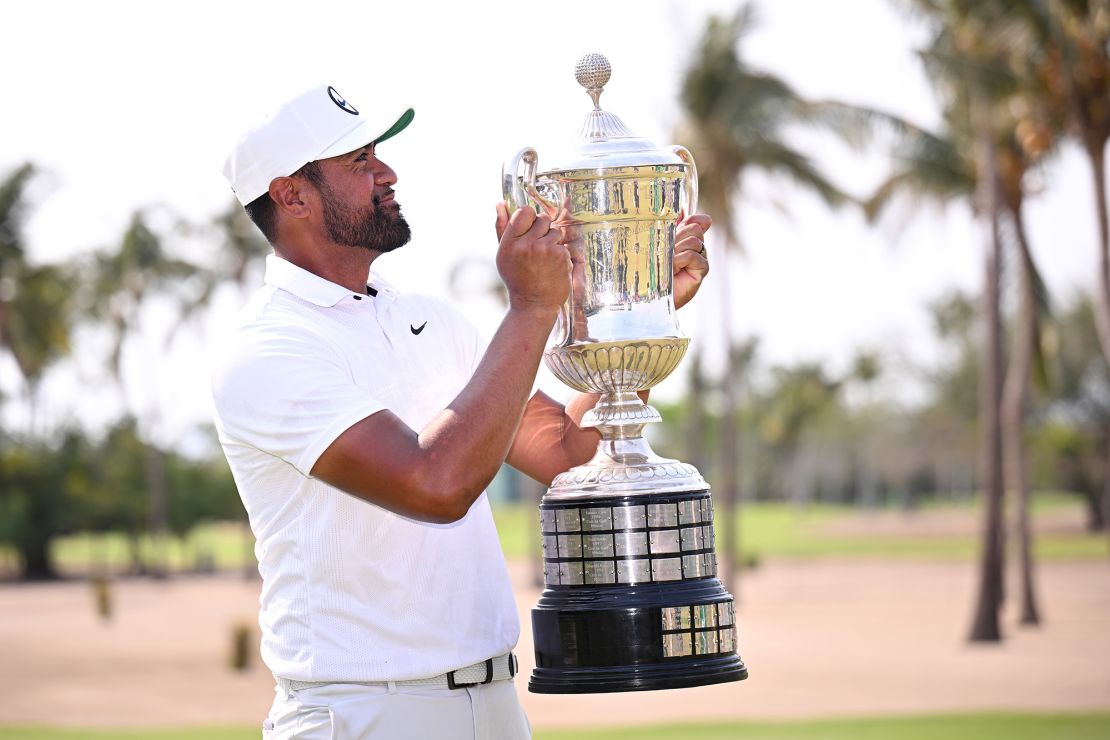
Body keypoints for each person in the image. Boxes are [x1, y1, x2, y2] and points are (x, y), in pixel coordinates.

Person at [211, 83, 710, 740]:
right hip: (364, 714)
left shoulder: (430, 322)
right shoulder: (266, 351)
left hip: (494, 703)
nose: (386, 173)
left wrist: (639, 311)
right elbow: (435, 483)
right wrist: (532, 308)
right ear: (292, 196)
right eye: (359, 161)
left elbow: (567, 451)